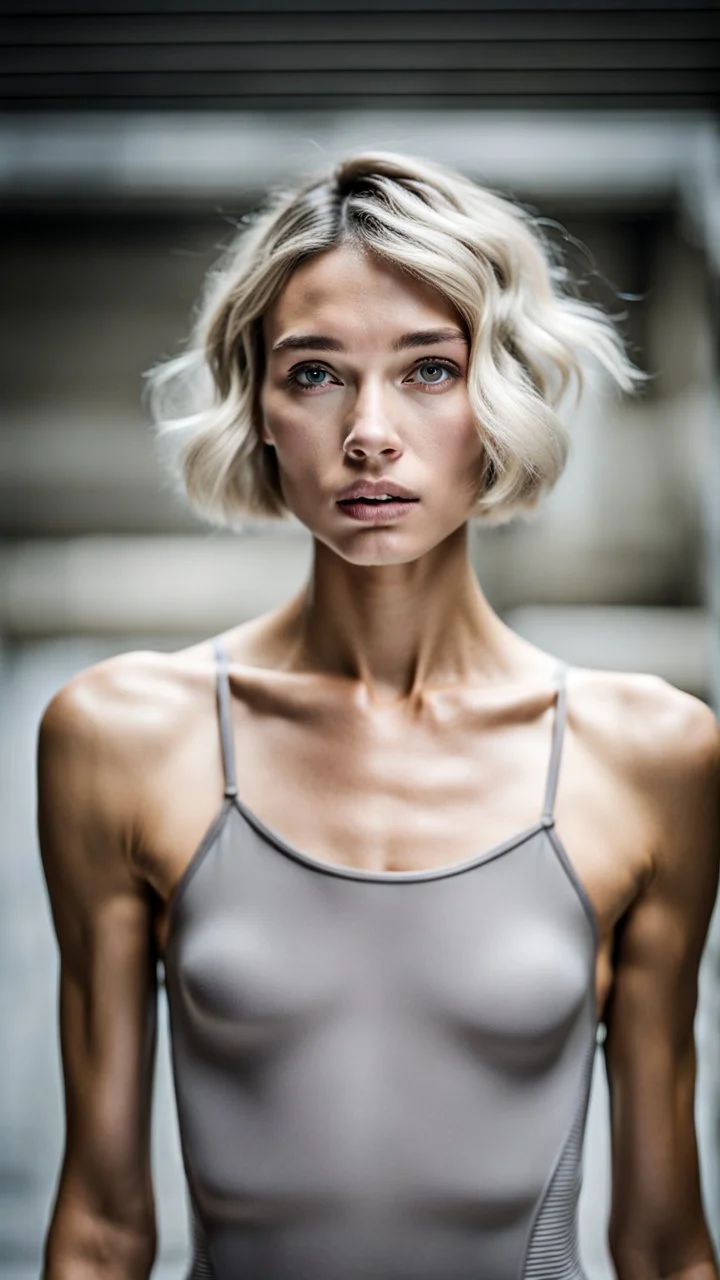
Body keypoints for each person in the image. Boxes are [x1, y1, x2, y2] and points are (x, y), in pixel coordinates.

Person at [37, 151, 720, 1280]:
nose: (369, 431)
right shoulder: (121, 737)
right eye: (314, 373)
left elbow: (661, 1243)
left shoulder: (649, 753)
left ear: (501, 394)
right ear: (256, 403)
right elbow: (102, 1230)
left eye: (429, 370)